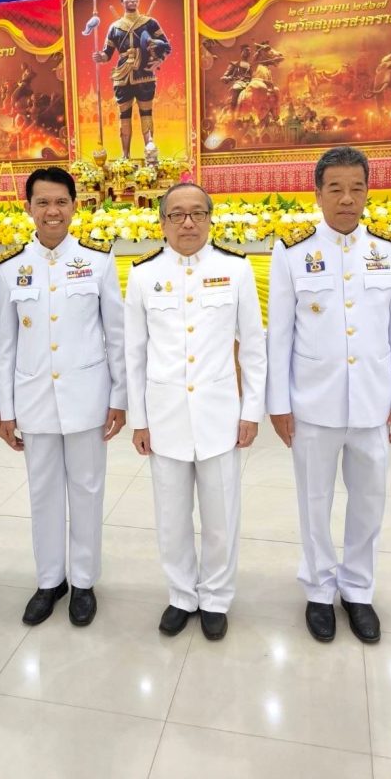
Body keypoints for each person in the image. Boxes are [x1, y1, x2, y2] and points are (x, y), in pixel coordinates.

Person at [267, 146, 391, 645]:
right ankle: (318, 589)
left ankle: (357, 589)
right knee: (314, 500)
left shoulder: (390, 250)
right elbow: (279, 334)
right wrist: (278, 403)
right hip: (313, 402)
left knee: (369, 500)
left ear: (368, 191)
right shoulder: (292, 252)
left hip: (373, 400)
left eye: (356, 188)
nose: (347, 199)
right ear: (318, 194)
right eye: (336, 188)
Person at [124, 182, 267, 641]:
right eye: (177, 214)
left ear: (209, 218)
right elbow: (134, 354)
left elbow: (254, 348)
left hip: (219, 415)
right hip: (164, 416)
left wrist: (252, 411)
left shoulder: (236, 269)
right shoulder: (143, 275)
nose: (188, 222)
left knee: (221, 516)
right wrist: (139, 419)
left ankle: (216, 598)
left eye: (197, 214)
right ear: (162, 222)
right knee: (172, 517)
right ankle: (182, 595)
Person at [0, 166, 126, 628]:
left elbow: (116, 334)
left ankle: (84, 581)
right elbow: (4, 343)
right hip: (33, 400)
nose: (52, 211)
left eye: (61, 202)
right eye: (43, 202)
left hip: (87, 398)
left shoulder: (98, 260)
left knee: (87, 491)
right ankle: (50, 580)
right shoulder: (9, 267)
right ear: (28, 207)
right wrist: (6, 409)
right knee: (43, 492)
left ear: (75, 206)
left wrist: (119, 397)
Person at [92, 0, 171, 158]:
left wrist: (158, 60)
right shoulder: (114, 27)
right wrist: (100, 57)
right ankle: (125, 157)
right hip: (122, 76)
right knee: (124, 116)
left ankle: (150, 155)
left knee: (146, 113)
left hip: (145, 75)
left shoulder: (150, 23)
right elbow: (107, 54)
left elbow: (166, 46)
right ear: (122, 1)